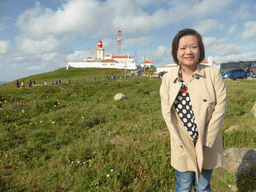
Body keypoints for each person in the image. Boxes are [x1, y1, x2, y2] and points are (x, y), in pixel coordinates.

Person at [160, 29, 227, 191]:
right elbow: (166, 113)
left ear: (200, 50)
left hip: (207, 142)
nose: (188, 52)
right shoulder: (168, 78)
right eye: (182, 48)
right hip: (182, 143)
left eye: (193, 47)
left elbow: (220, 107)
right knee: (183, 185)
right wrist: (178, 140)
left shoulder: (212, 73)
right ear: (175, 52)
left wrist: (207, 140)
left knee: (203, 187)